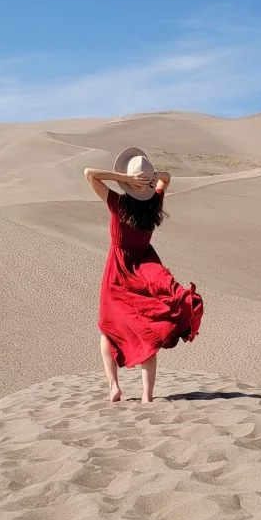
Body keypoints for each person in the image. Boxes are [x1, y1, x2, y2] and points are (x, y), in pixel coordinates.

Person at [84, 147, 204, 403]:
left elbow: (89, 174)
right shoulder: (154, 202)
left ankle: (114, 386)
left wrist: (124, 179)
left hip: (117, 270)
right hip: (146, 266)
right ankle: (147, 396)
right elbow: (167, 178)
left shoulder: (117, 203)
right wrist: (152, 178)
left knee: (107, 329)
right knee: (146, 332)